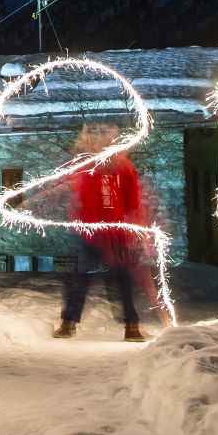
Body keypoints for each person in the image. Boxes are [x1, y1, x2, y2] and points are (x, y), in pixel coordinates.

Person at [52, 119, 160, 342]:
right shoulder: (88, 166)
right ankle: (68, 323)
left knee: (120, 278)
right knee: (81, 277)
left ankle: (131, 326)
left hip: (116, 233)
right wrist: (95, 230)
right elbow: (84, 198)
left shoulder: (124, 167)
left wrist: (132, 228)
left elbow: (132, 201)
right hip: (90, 233)